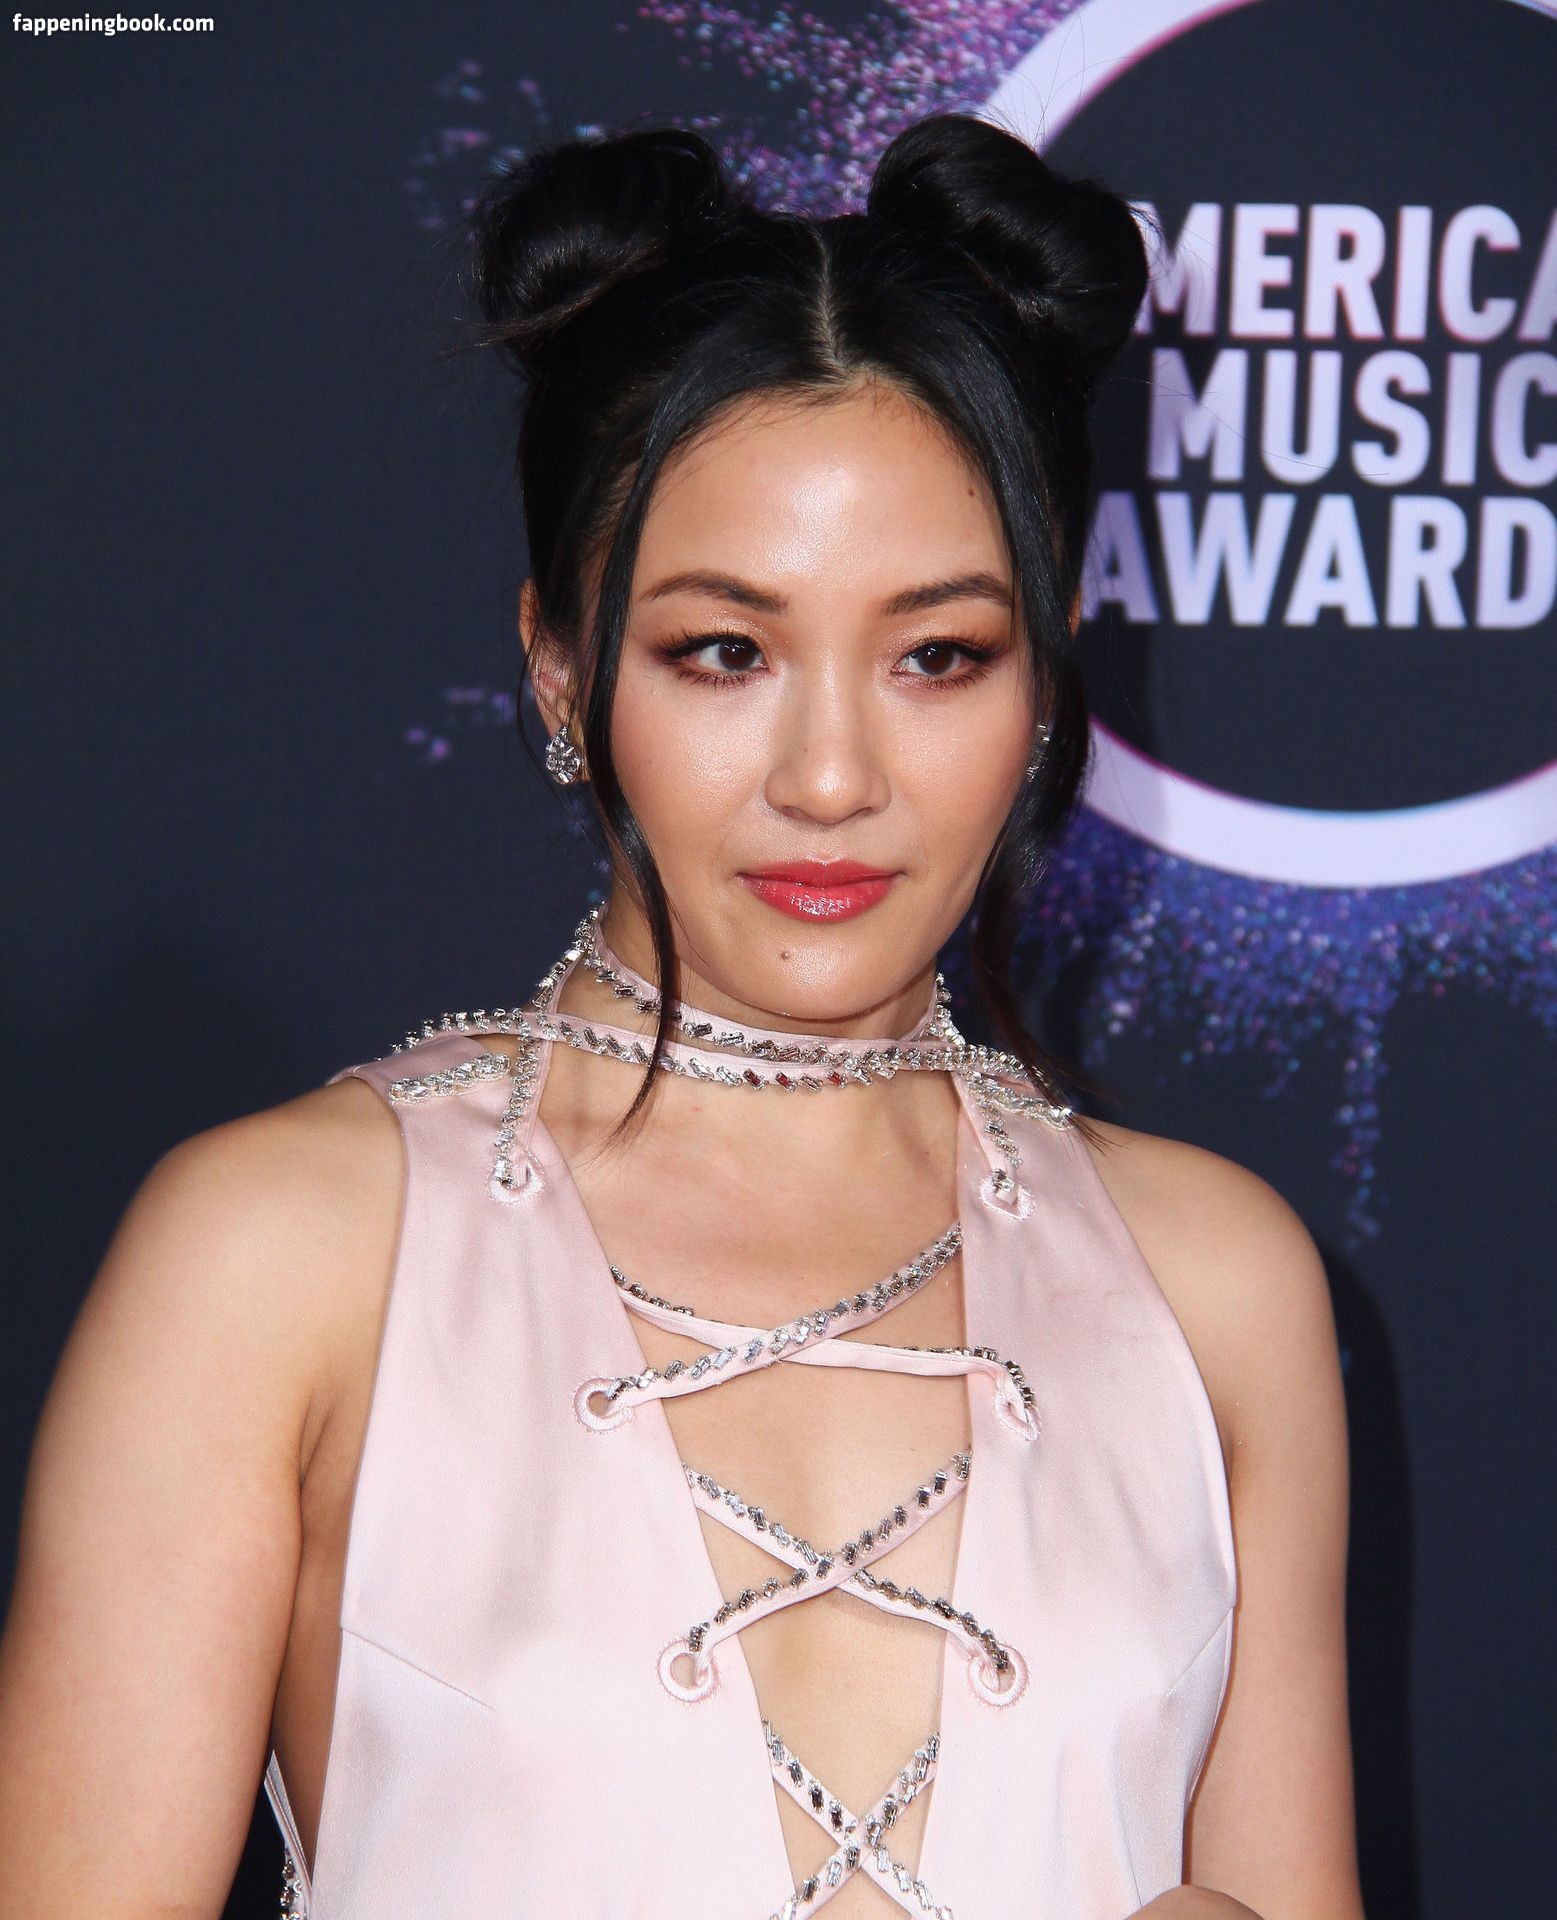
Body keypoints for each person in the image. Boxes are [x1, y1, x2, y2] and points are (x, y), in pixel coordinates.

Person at [0, 114, 1363, 1920]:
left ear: (1040, 680)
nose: (829, 776)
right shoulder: (282, 1251)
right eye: (724, 650)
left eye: (936, 655)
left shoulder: (1215, 1283)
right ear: (561, 666)